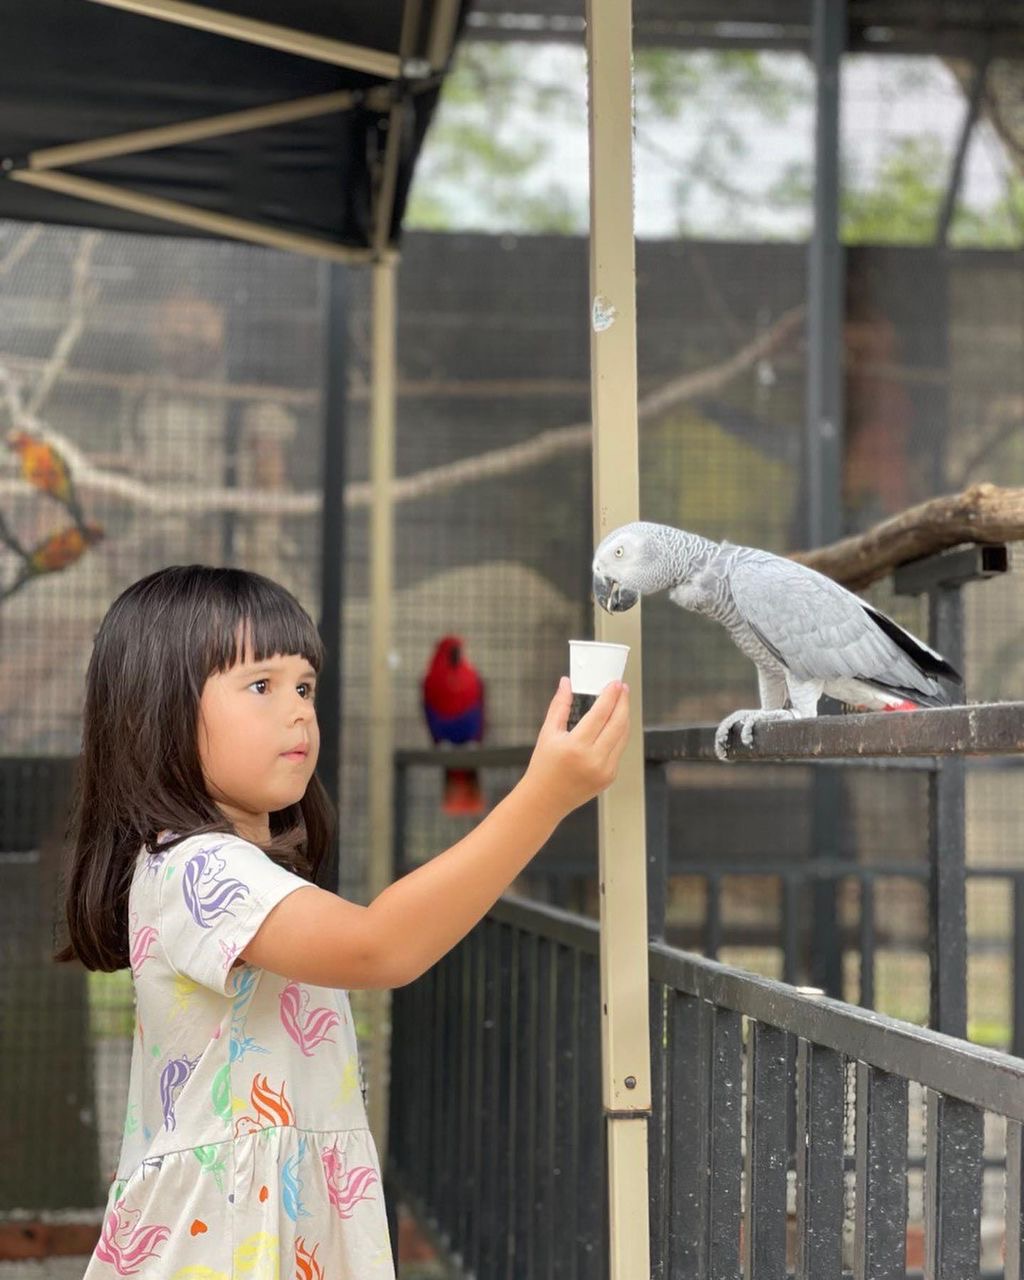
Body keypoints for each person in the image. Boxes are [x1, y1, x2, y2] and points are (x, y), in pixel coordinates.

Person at [57, 564, 630, 1278]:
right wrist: (544, 796)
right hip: (225, 1246)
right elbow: (378, 948)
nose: (298, 710)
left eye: (305, 686)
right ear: (156, 711)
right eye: (261, 686)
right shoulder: (200, 871)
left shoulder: (226, 867)